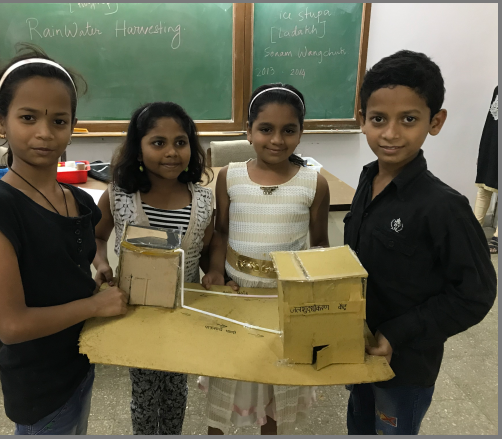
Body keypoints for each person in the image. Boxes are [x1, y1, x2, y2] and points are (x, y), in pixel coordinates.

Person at [0, 44, 128, 435]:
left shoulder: (76, 198)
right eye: (27, 117)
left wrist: (99, 271)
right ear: (0, 121)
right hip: (39, 384)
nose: (44, 132)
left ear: (73, 125)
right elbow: (12, 326)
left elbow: (65, 267)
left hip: (79, 362)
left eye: (58, 120)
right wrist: (94, 305)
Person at [345, 49, 498, 435]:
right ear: (363, 120)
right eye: (378, 119)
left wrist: (397, 333)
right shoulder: (366, 181)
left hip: (406, 367)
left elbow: (476, 294)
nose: (391, 133)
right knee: (358, 425)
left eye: (408, 119)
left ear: (435, 121)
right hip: (357, 350)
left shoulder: (444, 207)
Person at [200, 83, 330, 435]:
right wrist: (214, 270)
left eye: (289, 130)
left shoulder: (313, 183)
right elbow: (221, 233)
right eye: (265, 129)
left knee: (276, 381)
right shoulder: (230, 176)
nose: (277, 140)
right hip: (237, 294)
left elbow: (319, 245)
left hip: (283, 301)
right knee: (230, 377)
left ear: (301, 133)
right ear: (248, 131)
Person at [93, 101, 215, 434]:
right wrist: (101, 262)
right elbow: (98, 236)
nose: (171, 152)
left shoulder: (203, 199)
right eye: (158, 143)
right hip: (136, 312)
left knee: (176, 389)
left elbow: (207, 246)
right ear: (138, 148)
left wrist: (214, 270)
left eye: (180, 142)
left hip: (183, 311)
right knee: (145, 393)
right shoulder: (119, 195)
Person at [473, 86, 498, 253]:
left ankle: (497, 237)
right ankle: (473, 230)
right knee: (483, 188)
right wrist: (484, 150)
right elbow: (490, 123)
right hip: (492, 145)